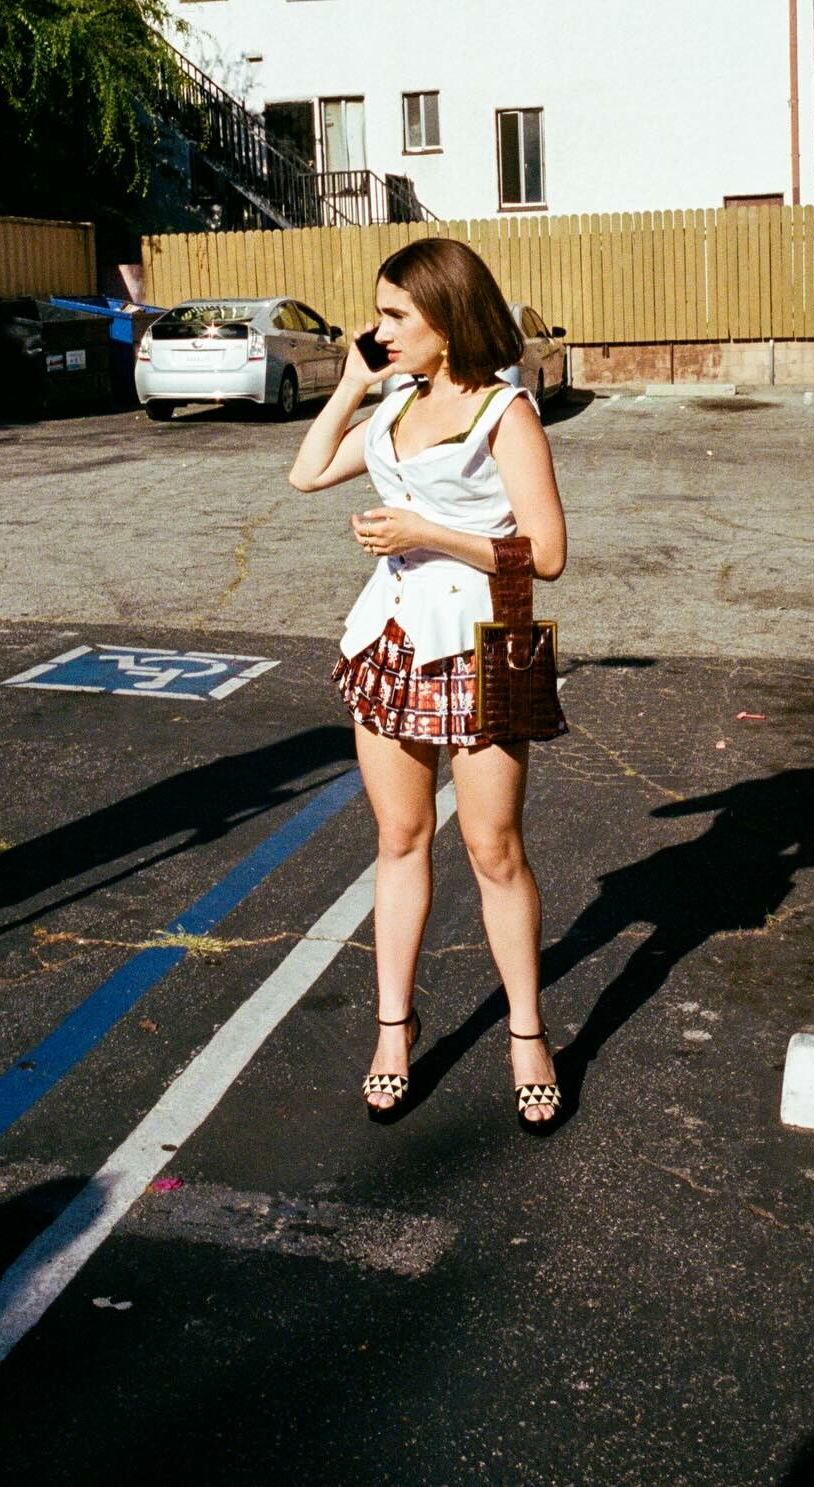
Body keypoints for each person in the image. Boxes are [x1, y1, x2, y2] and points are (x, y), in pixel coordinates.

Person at [289, 238, 567, 1127]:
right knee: (400, 840)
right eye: (379, 313)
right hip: (390, 640)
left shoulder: (503, 412)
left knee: (494, 850)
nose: (379, 329)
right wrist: (351, 382)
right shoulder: (395, 401)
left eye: (396, 315)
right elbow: (305, 473)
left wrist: (428, 530)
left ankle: (527, 1034)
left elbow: (547, 554)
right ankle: (393, 1031)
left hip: (481, 646)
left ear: (447, 320)